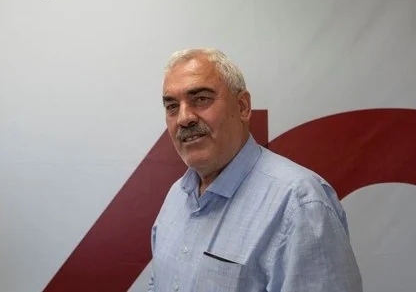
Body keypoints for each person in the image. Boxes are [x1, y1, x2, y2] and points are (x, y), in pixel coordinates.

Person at [148, 48, 362, 292]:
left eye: (201, 99)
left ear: (242, 106)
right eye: (172, 106)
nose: (184, 118)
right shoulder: (176, 196)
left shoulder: (299, 204)